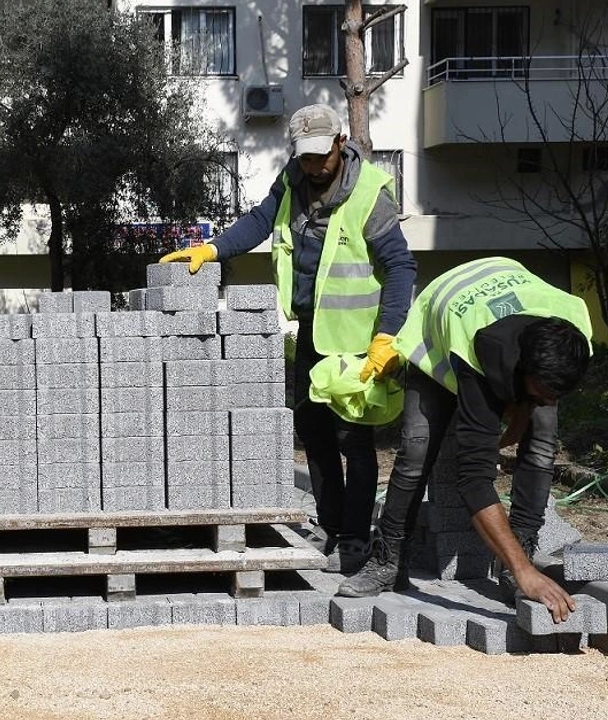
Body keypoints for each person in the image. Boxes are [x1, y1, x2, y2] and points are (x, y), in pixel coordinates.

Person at [161, 103, 417, 572]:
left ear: (340, 144)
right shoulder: (293, 181)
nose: (314, 166)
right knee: (314, 434)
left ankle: (357, 538)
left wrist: (388, 337)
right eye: (305, 157)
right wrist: (212, 248)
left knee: (355, 443)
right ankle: (333, 526)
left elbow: (401, 268)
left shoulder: (368, 195)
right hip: (313, 337)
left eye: (321, 156)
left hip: (359, 344)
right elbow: (260, 221)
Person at [337, 257, 593, 623]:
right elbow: (473, 479)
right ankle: (387, 560)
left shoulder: (573, 328)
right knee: (416, 447)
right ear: (520, 371)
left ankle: (517, 554)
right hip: (440, 328)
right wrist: (527, 572)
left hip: (510, 297)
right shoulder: (480, 349)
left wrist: (528, 409)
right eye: (538, 392)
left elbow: (539, 395)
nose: (546, 401)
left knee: (543, 440)